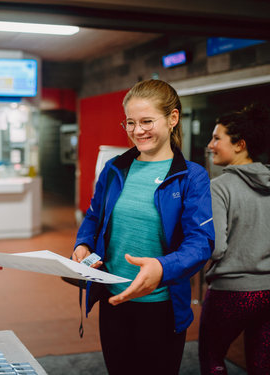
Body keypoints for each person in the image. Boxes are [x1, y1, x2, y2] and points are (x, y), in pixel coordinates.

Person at [72, 79, 215, 374]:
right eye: (131, 123)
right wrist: (82, 244)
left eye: (147, 121)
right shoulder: (114, 168)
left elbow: (200, 242)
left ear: (173, 119)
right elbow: (94, 216)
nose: (138, 131)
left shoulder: (191, 177)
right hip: (113, 299)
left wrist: (162, 268)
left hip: (161, 305)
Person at [199, 103, 270, 375]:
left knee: (212, 360)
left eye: (217, 138)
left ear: (240, 144)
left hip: (231, 294)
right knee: (261, 365)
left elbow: (215, 248)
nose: (210, 144)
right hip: (268, 292)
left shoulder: (218, 187)